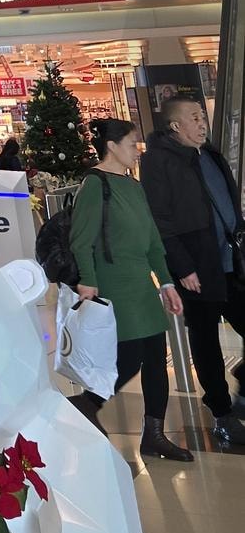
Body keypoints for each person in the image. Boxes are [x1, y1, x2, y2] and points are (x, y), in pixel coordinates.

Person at [70, 119, 192, 462]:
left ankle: (154, 434)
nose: (137, 148)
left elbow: (153, 241)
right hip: (113, 285)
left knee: (155, 356)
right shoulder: (95, 184)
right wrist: (88, 280)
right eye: (131, 142)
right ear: (111, 146)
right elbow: (82, 240)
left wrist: (166, 281)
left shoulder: (133, 186)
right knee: (128, 358)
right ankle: (84, 405)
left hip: (140, 285)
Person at [139, 94, 245, 449]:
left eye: (202, 117)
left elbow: (229, 204)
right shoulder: (158, 162)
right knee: (206, 340)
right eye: (195, 117)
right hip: (197, 267)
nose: (202, 123)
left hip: (231, 260)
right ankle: (222, 413)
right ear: (175, 126)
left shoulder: (211, 155)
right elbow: (161, 220)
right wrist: (181, 267)